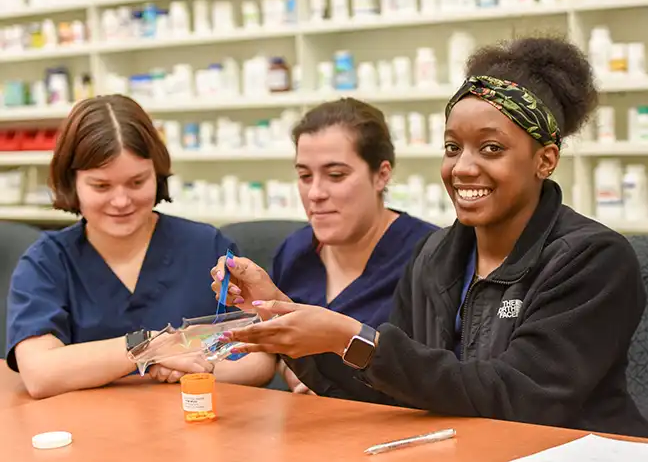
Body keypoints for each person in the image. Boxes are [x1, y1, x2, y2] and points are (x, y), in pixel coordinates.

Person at [212, 37, 648, 437]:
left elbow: (521, 398)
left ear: (545, 160)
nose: (462, 168)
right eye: (452, 147)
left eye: (491, 148)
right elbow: (393, 388)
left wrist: (352, 338)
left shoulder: (592, 258)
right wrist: (278, 312)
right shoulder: (436, 255)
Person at [5, 95, 275, 399]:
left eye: (136, 182)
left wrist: (199, 366)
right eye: (101, 186)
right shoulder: (47, 261)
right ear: (72, 183)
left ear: (157, 175)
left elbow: (260, 359)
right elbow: (40, 373)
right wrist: (148, 347)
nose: (121, 201)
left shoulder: (205, 246)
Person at [212, 98, 437, 393]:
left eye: (336, 175)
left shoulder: (431, 257)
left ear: (381, 175)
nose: (315, 193)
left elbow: (438, 375)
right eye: (305, 176)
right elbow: (274, 354)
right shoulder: (294, 251)